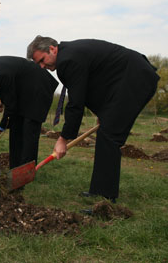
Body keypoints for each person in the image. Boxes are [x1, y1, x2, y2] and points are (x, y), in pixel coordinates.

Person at [27, 36, 160, 203]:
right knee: (106, 133)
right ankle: (99, 192)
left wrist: (63, 139)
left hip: (136, 78)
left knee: (109, 136)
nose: (42, 66)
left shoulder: (68, 59)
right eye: (38, 63)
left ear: (53, 49)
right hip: (124, 81)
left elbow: (76, 103)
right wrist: (102, 114)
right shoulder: (69, 55)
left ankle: (105, 198)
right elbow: (94, 85)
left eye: (42, 60)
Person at [0, 56, 58, 170]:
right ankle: (15, 168)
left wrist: (0, 128)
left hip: (39, 91)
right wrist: (1, 100)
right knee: (16, 130)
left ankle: (26, 172)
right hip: (24, 92)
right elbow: (7, 88)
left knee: (28, 132)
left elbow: (11, 106)